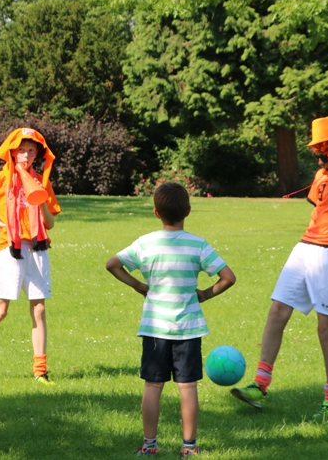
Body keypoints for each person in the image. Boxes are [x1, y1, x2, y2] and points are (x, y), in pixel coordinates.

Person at [231, 114, 328, 422]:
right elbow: (320, 214)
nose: (319, 157)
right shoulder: (320, 176)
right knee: (276, 312)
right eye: (317, 152)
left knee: (325, 329)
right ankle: (259, 386)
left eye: (323, 151)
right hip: (304, 248)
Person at [106, 182, 236, 458]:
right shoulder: (198, 245)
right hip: (188, 329)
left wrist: (138, 285)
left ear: (156, 212)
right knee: (187, 388)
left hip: (155, 329)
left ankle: (149, 445)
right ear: (188, 210)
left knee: (153, 386)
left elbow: (112, 264)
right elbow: (228, 278)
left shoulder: (146, 243)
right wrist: (204, 294)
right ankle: (189, 447)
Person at [0, 127, 61, 384]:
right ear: (12, 152)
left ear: (37, 154)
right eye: (21, 150)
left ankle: (40, 372)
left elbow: (50, 223)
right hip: (11, 248)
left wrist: (40, 200)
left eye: (31, 151)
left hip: (38, 248)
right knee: (0, 310)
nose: (26, 155)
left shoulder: (41, 181)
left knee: (39, 310)